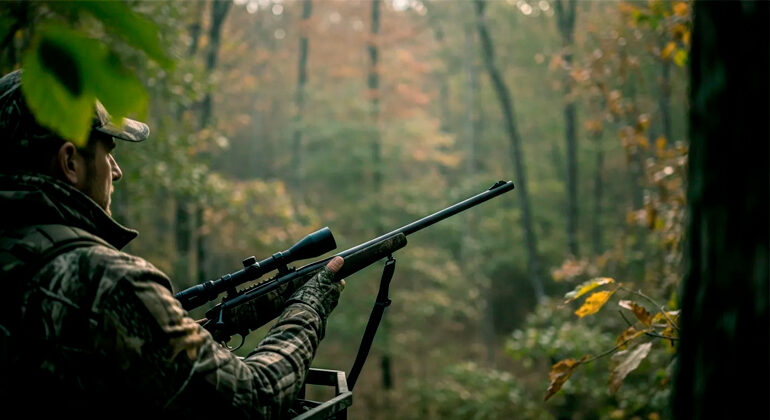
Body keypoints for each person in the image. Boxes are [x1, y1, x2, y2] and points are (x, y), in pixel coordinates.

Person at [0, 69, 345, 419]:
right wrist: (309, 307)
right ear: (70, 162)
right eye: (108, 151)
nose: (116, 171)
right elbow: (253, 398)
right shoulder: (106, 280)